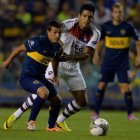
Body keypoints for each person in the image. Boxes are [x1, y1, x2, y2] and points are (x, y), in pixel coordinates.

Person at [4, 3, 100, 131]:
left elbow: (86, 54)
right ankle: (18, 114)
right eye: (85, 16)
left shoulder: (95, 32)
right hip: (56, 63)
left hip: (73, 66)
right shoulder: (69, 24)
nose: (87, 19)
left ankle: (58, 122)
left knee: (82, 101)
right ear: (79, 16)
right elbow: (55, 33)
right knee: (43, 91)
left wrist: (68, 57)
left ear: (93, 18)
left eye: (90, 17)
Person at [3, 20, 63, 131]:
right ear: (48, 32)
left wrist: (55, 75)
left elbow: (56, 60)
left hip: (41, 79)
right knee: (43, 92)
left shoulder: (58, 46)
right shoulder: (38, 42)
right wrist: (7, 62)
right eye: (55, 32)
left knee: (57, 100)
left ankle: (50, 127)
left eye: (59, 33)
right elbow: (18, 49)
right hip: (27, 77)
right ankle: (30, 123)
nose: (57, 35)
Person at [90, 2, 140, 120]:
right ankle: (96, 113)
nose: (118, 14)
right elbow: (100, 42)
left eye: (120, 12)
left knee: (127, 87)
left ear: (123, 14)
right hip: (108, 62)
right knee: (102, 85)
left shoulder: (128, 27)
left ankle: (130, 114)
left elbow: (138, 41)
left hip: (123, 64)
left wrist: (138, 56)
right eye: (116, 12)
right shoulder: (106, 26)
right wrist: (96, 54)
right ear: (112, 13)